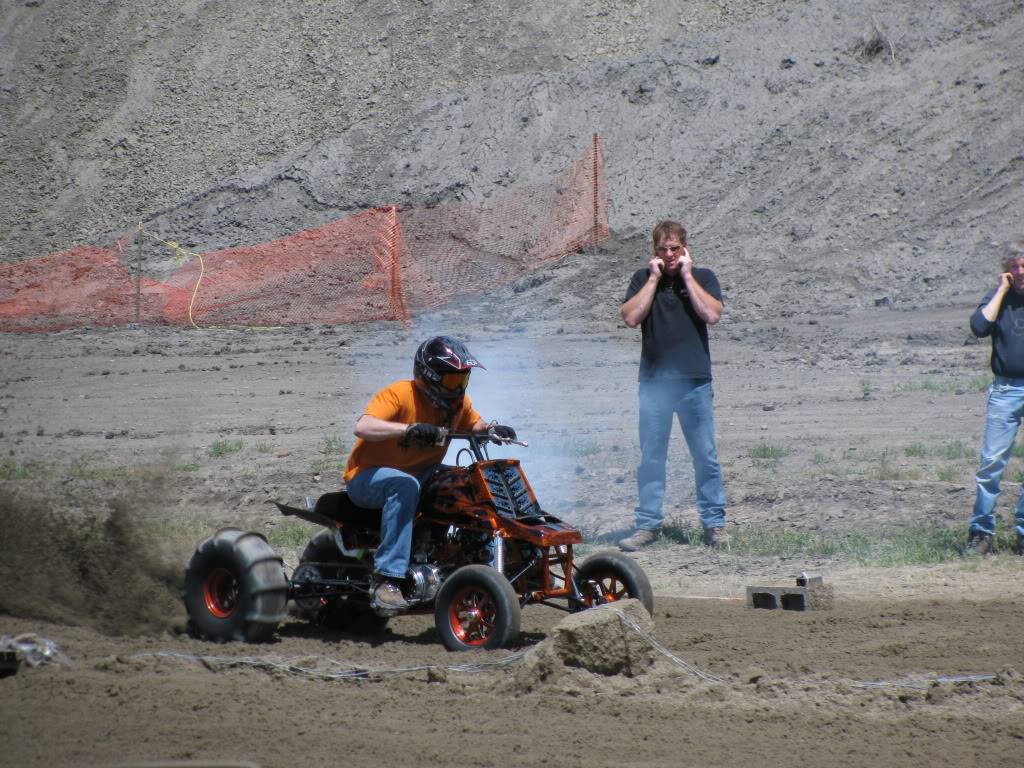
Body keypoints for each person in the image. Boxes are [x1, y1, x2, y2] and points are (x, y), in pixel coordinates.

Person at [343, 335, 516, 609]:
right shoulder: (400, 394)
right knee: (404, 484)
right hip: (367, 477)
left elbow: (476, 424)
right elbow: (363, 427)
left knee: (466, 483)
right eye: (451, 380)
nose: (458, 387)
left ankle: (474, 558)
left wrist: (493, 430)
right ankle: (387, 578)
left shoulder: (458, 405)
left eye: (463, 380)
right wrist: (408, 429)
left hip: (421, 474)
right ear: (429, 376)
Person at [618, 220, 729, 552]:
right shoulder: (642, 279)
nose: (668, 255)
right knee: (652, 458)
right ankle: (648, 526)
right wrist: (653, 278)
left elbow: (711, 315)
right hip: (654, 385)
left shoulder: (703, 278)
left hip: (694, 383)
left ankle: (715, 525)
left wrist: (686, 275)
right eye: (662, 250)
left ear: (685, 248)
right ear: (654, 252)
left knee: (705, 457)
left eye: (674, 248)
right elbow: (630, 317)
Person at [964, 237, 1024, 556]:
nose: (1021, 271)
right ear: (1007, 272)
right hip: (1006, 389)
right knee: (991, 463)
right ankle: (981, 533)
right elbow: (978, 327)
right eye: (1014, 267)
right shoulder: (999, 299)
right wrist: (1001, 291)